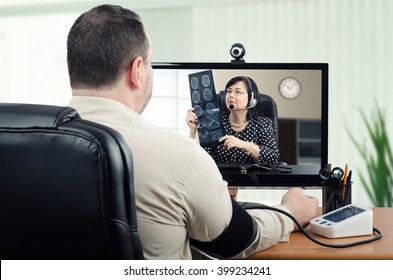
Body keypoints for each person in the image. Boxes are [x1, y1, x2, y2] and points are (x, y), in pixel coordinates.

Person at [66, 4, 319, 259]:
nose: (231, 96)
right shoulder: (182, 155)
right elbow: (237, 239)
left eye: (238, 91)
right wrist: (290, 212)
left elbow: (270, 157)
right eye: (151, 63)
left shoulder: (25, 148)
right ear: (137, 71)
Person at [186, 76, 279, 199]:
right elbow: (202, 159)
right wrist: (193, 132)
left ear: (252, 99)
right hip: (217, 188)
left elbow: (273, 157)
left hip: (251, 188)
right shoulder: (214, 122)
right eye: (229, 91)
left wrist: (243, 144)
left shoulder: (262, 123)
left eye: (238, 92)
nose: (231, 95)